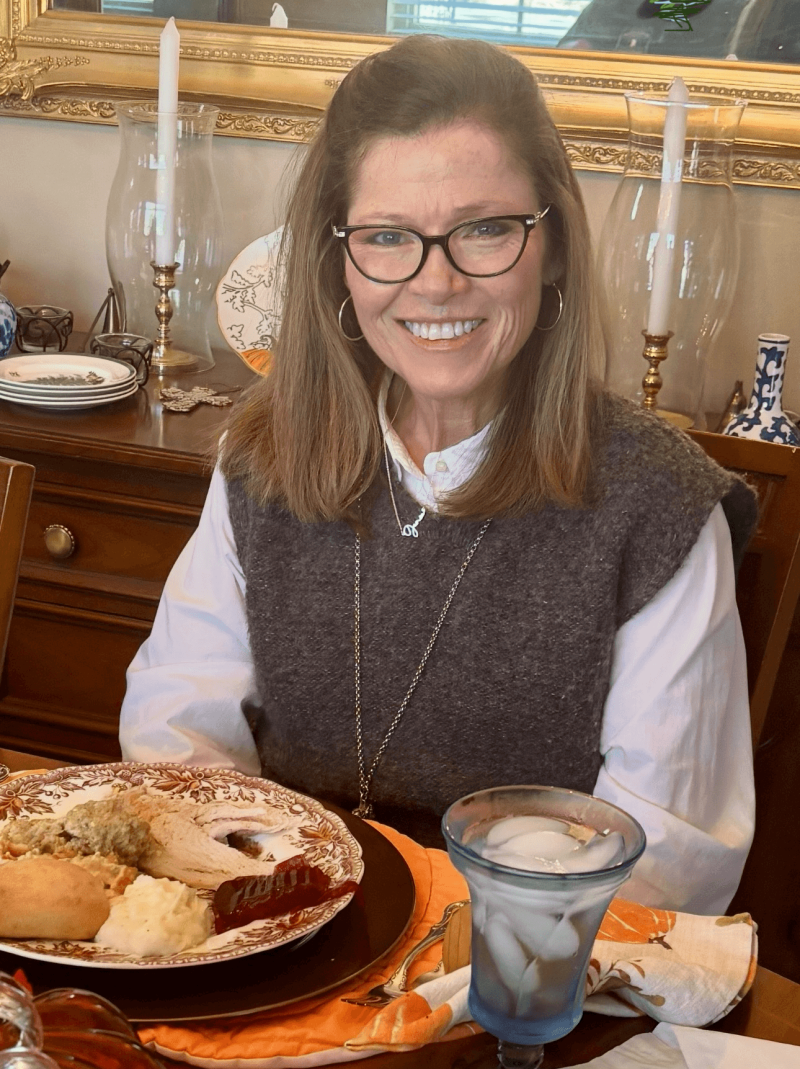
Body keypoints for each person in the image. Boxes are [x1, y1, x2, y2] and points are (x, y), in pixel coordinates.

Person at [120, 34, 757, 916]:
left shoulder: (659, 504)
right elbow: (174, 733)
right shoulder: (261, 455)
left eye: (485, 229)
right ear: (339, 260)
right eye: (387, 237)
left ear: (554, 245)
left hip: (522, 966)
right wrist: (282, 898)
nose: (437, 281)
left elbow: (666, 865)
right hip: (282, 928)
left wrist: (411, 931)